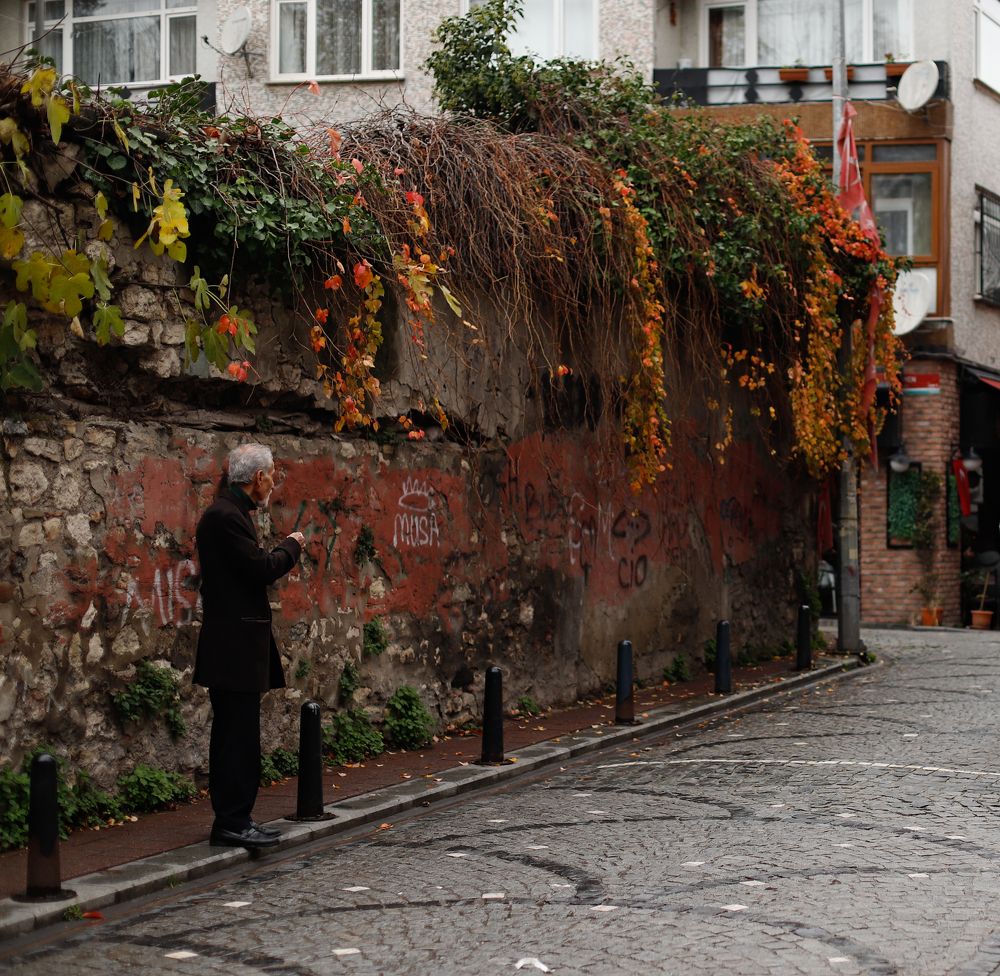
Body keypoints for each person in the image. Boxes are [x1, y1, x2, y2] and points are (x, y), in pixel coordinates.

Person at [193, 443, 306, 849]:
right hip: (234, 647)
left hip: (235, 645)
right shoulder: (225, 517)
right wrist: (291, 546)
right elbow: (259, 569)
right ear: (258, 477)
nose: (274, 481)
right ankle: (232, 821)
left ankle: (235, 818)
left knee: (236, 734)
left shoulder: (230, 514)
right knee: (236, 738)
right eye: (272, 473)